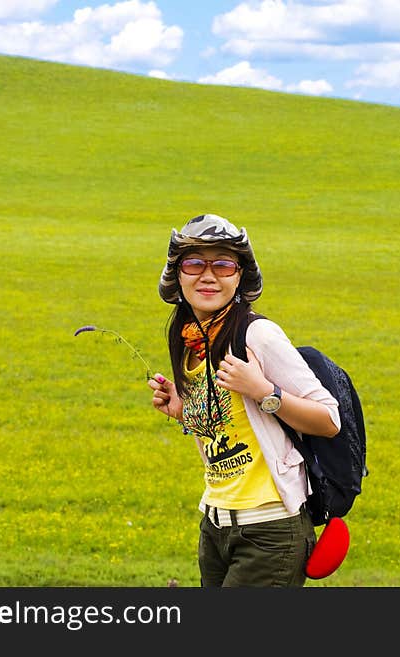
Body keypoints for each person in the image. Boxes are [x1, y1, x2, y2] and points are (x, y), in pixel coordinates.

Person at [148, 213, 341, 587]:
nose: (208, 275)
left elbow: (329, 419)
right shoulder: (190, 341)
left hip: (269, 530)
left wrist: (265, 392)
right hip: (216, 525)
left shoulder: (258, 335)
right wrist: (184, 411)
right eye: (194, 263)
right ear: (178, 274)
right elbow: (231, 430)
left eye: (222, 264)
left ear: (239, 276)